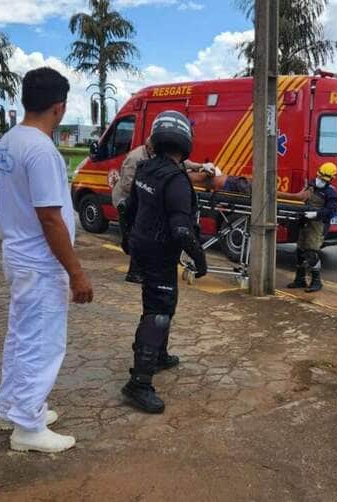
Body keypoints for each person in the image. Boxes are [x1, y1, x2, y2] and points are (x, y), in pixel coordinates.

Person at [0, 67, 94, 453]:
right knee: (42, 342)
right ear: (60, 107)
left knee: (20, 336)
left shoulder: (10, 141)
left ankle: (12, 409)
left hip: (20, 256)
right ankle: (29, 426)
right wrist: (77, 273)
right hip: (40, 261)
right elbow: (50, 217)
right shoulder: (41, 150)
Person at [120, 110, 207, 414]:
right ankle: (139, 383)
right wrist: (200, 257)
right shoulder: (176, 180)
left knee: (161, 304)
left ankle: (158, 355)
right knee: (158, 312)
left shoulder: (146, 168)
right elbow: (181, 230)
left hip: (143, 247)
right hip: (159, 252)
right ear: (184, 142)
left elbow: (129, 208)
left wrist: (127, 239)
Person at [113, 136, 219, 254]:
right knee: (133, 225)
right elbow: (128, 184)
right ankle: (129, 244)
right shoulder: (135, 158)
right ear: (149, 148)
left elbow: (180, 161)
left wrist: (201, 166)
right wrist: (152, 190)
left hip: (141, 196)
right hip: (124, 197)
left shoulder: (155, 155)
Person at [281, 162, 337, 293]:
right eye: (319, 176)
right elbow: (302, 197)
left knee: (311, 252)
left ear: (331, 179)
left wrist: (317, 214)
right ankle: (300, 279)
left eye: (323, 179)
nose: (320, 180)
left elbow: (331, 212)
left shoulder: (331, 193)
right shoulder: (312, 184)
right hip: (304, 221)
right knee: (300, 250)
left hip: (318, 224)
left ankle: (316, 281)